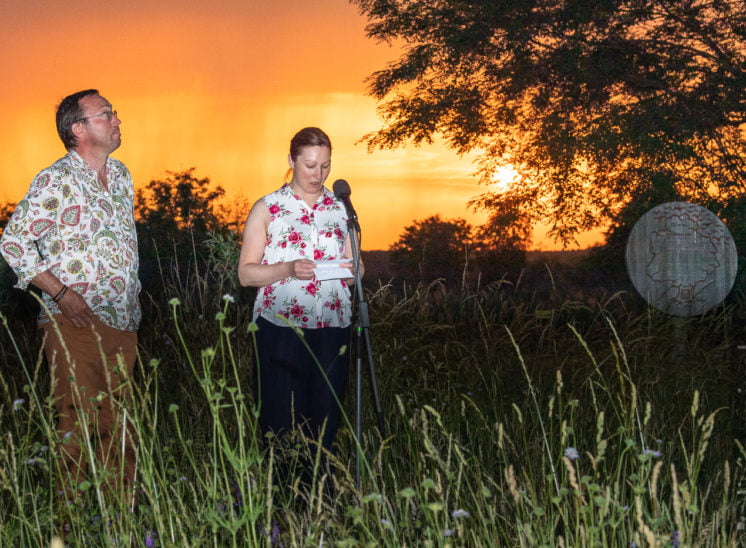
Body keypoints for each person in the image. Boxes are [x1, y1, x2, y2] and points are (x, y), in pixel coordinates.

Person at [0, 89, 141, 508]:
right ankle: (71, 525)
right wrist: (60, 293)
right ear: (78, 129)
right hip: (73, 322)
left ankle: (122, 525)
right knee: (77, 427)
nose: (117, 119)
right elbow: (14, 242)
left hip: (124, 323)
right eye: (106, 114)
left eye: (114, 112)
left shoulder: (121, 176)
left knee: (120, 430)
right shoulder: (55, 179)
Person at [238, 127, 362, 492]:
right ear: (291, 161)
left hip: (333, 326)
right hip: (280, 328)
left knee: (324, 421)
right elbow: (246, 273)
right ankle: (282, 503)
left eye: (325, 166)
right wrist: (287, 269)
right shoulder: (268, 207)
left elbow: (358, 270)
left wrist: (350, 270)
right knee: (281, 419)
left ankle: (320, 502)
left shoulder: (342, 209)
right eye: (309, 165)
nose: (318, 174)